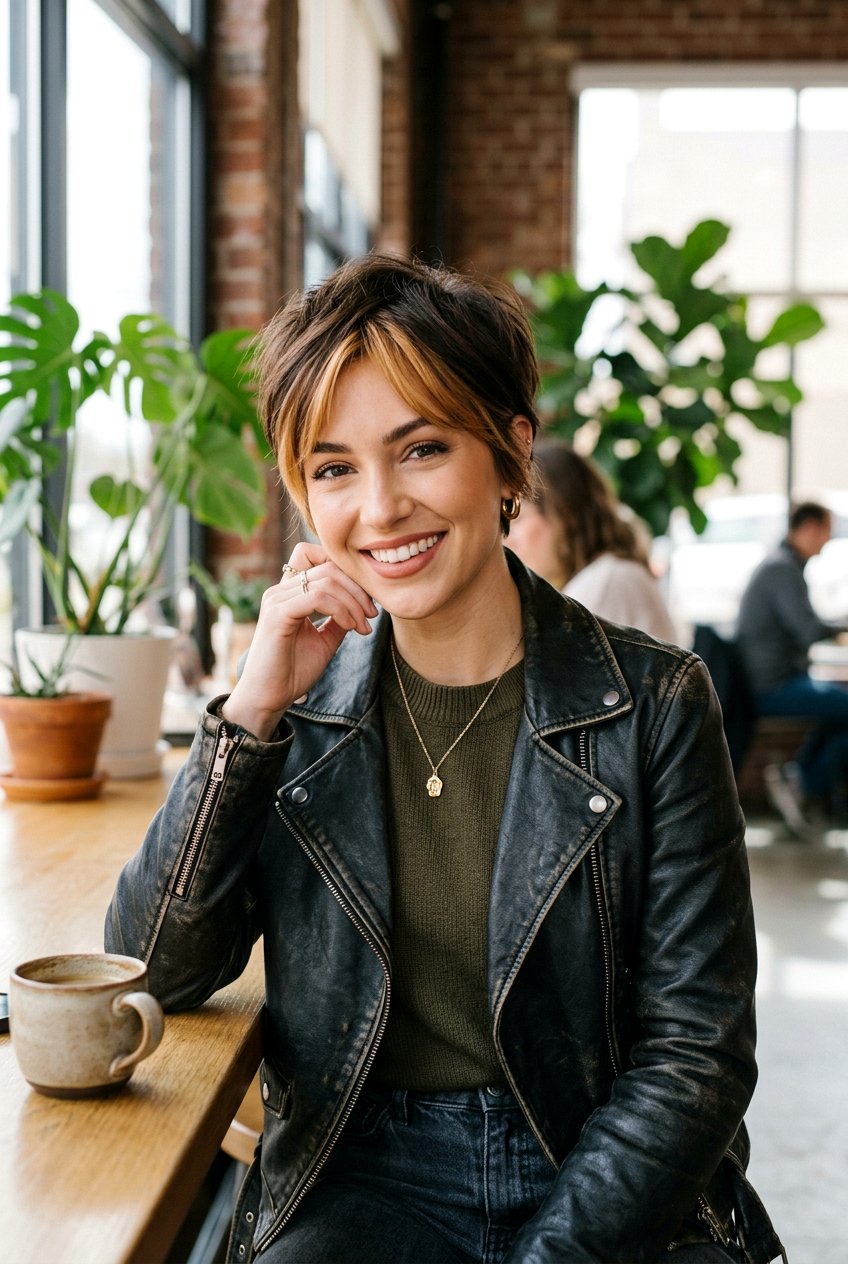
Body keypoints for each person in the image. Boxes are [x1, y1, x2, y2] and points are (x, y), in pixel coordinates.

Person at [105, 254, 785, 1264]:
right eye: (333, 469)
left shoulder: (650, 700)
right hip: (365, 1173)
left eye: (419, 448)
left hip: (601, 1164)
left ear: (510, 454)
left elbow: (695, 1053)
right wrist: (250, 709)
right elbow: (151, 968)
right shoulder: (299, 708)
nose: (378, 509)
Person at [736, 500, 848, 832]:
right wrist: (843, 624)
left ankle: (798, 775)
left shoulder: (780, 565)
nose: (827, 541)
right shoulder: (782, 569)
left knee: (836, 707)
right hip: (773, 686)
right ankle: (803, 781)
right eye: (827, 531)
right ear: (810, 528)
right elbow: (809, 629)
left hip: (776, 680)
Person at [507, 439, 679, 643]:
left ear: (563, 514)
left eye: (518, 519)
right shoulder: (608, 575)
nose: (508, 540)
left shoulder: (605, 583)